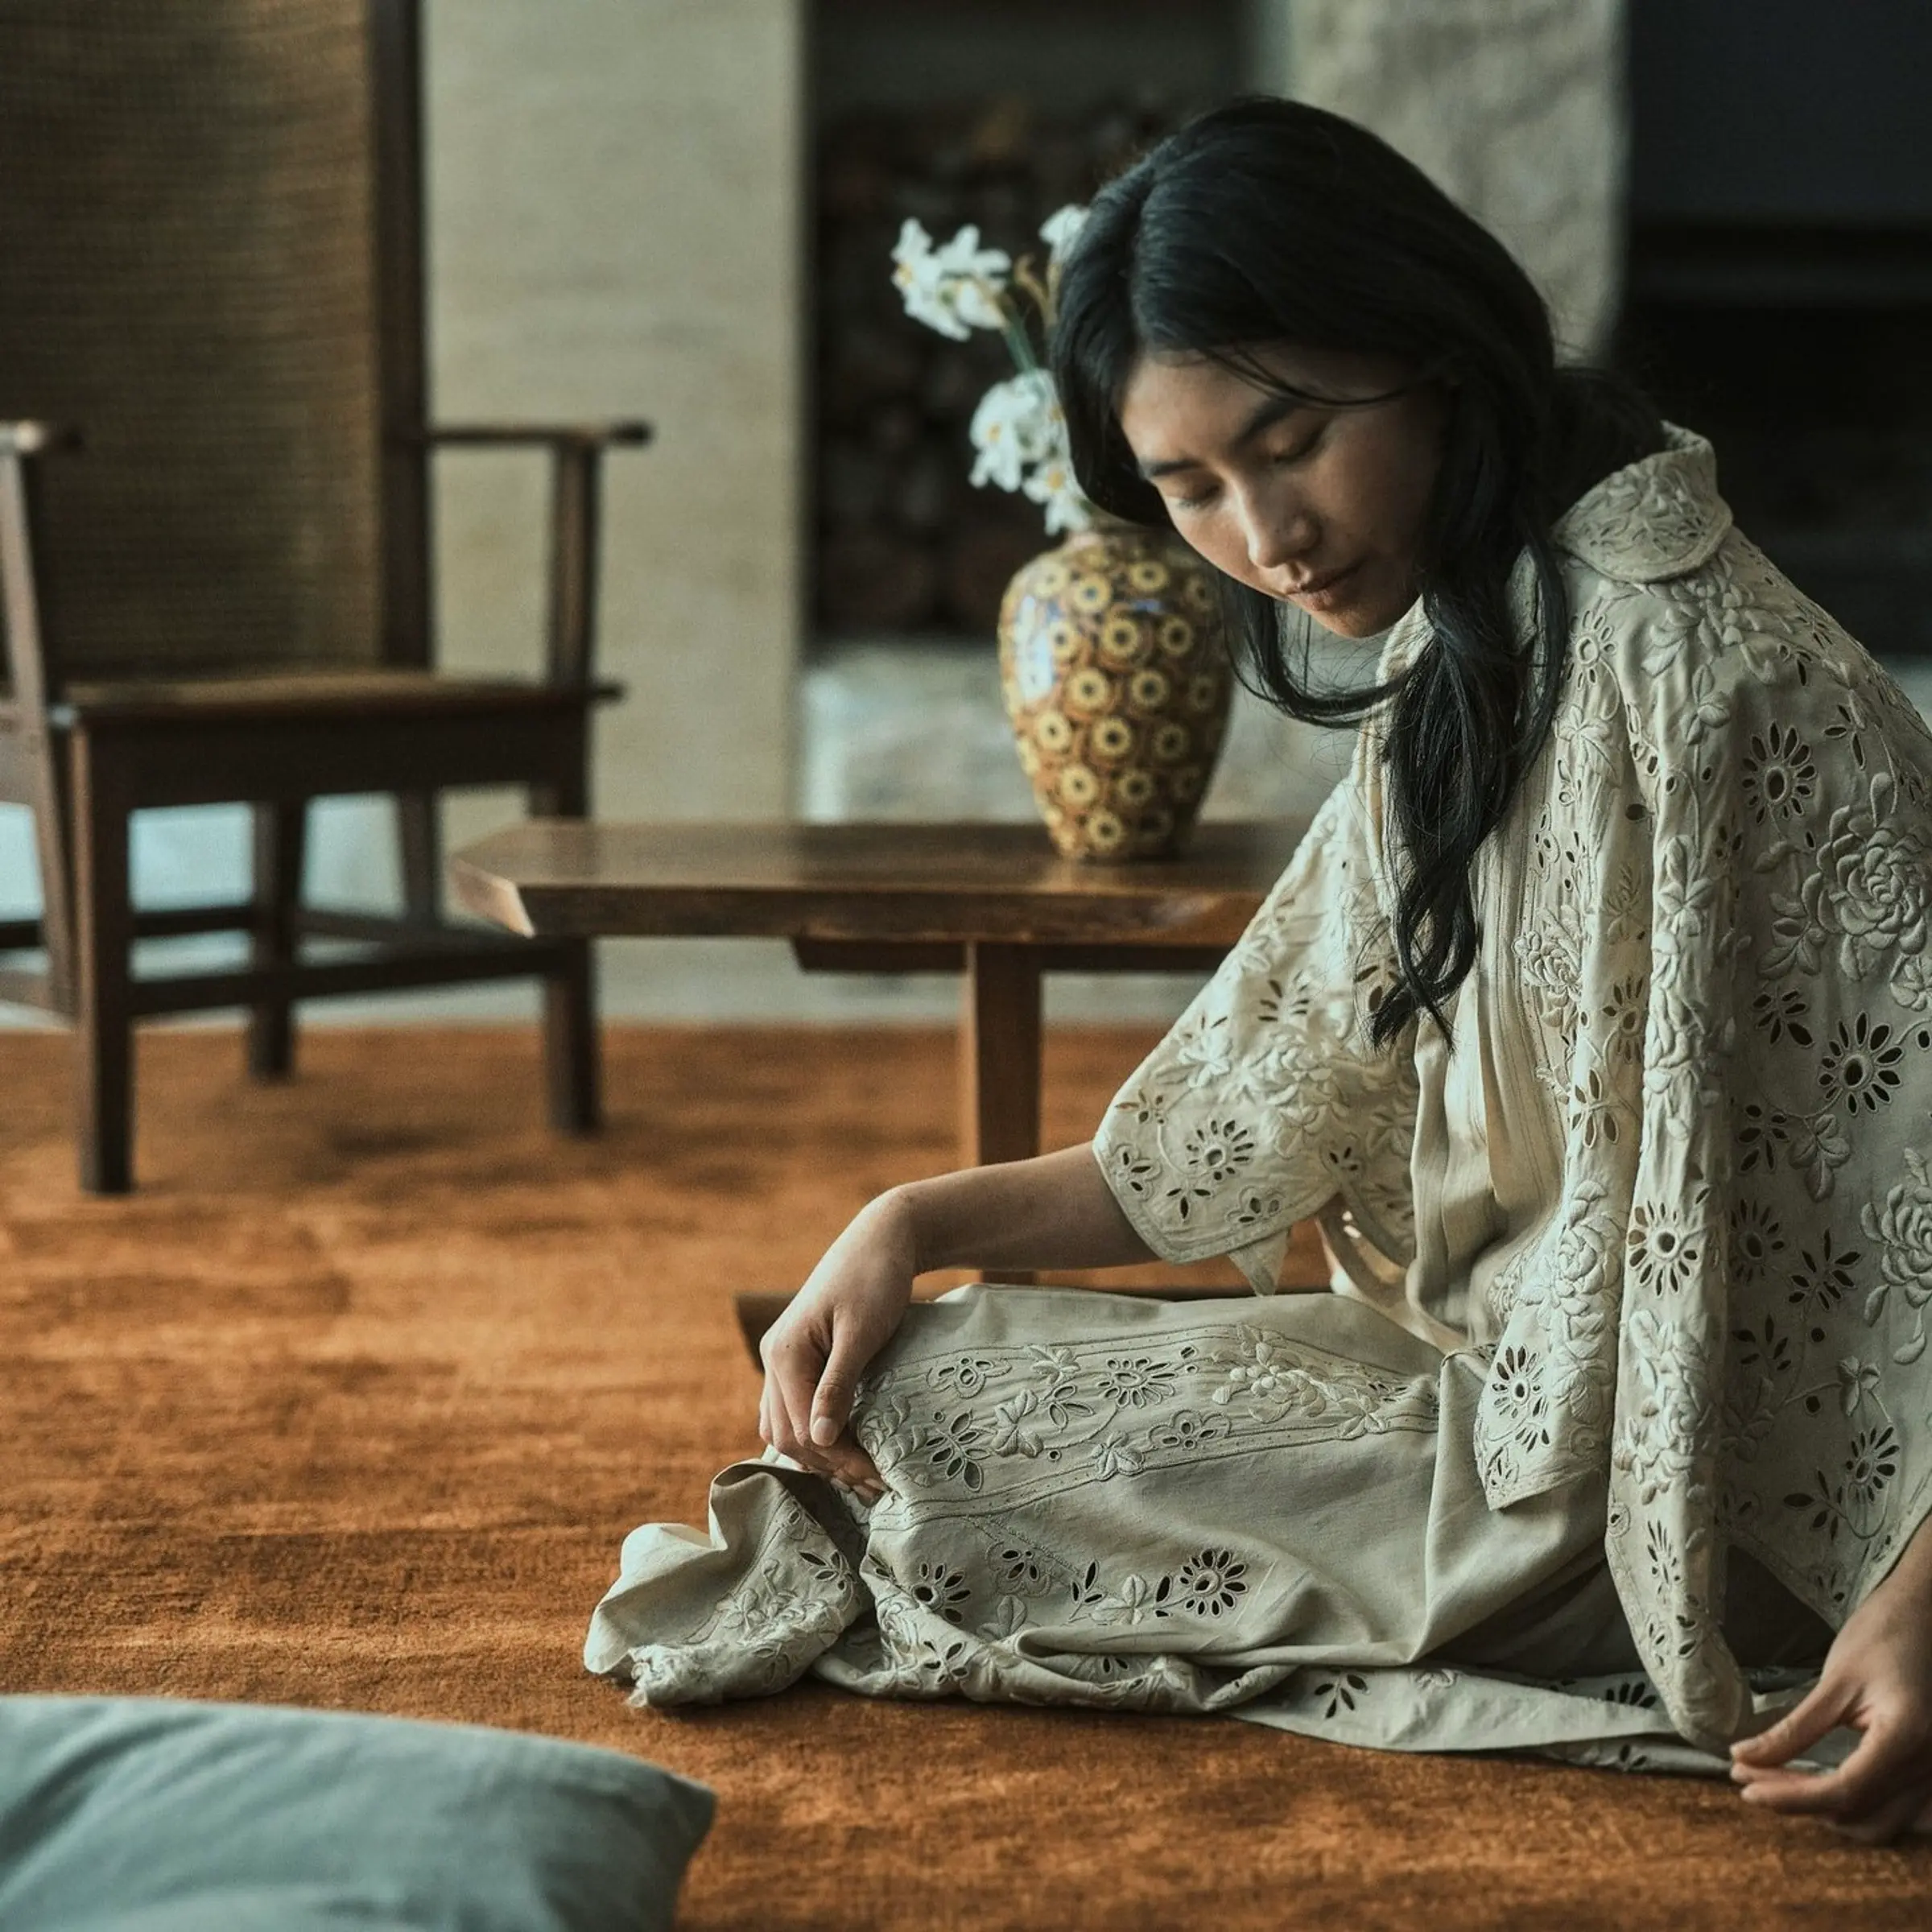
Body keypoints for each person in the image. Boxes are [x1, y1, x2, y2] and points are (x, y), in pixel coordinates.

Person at [586, 99, 1932, 1839]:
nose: (1266, 536)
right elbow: (1254, 1109)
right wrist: (908, 1221)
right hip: (1478, 1419)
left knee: (921, 1495)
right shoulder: (1484, 631)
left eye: (1289, 439)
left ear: (1437, 351)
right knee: (909, 1399)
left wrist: (1917, 1596)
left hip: (1673, 1508)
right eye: (1192, 486)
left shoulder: (1714, 674)